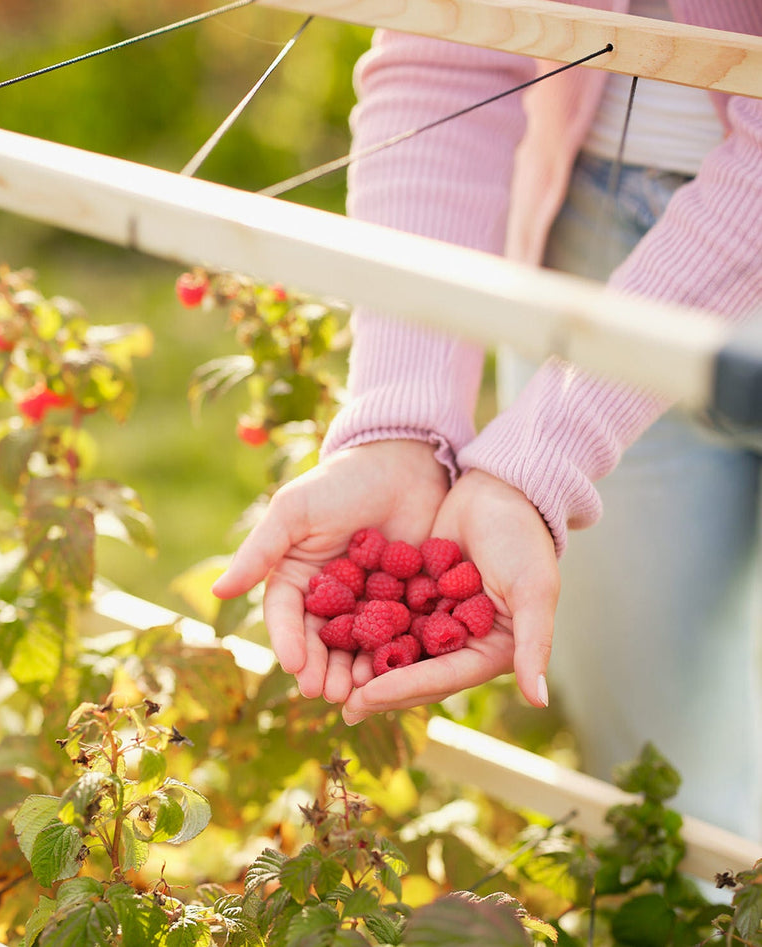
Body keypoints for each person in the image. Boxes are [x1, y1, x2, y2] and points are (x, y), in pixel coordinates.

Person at [211, 0, 762, 840]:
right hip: (594, 228)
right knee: (667, 775)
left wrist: (545, 445)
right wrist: (398, 423)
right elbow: (447, 49)